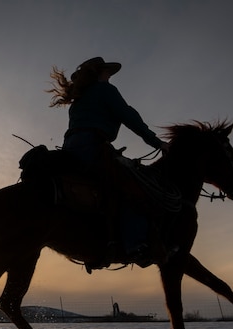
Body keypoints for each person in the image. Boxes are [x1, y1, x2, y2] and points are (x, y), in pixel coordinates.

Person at [47, 57, 169, 266]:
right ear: (99, 74)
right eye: (107, 73)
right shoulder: (106, 91)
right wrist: (158, 144)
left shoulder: (78, 101)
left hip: (70, 149)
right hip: (92, 146)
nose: (110, 77)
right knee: (133, 185)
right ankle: (136, 245)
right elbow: (130, 117)